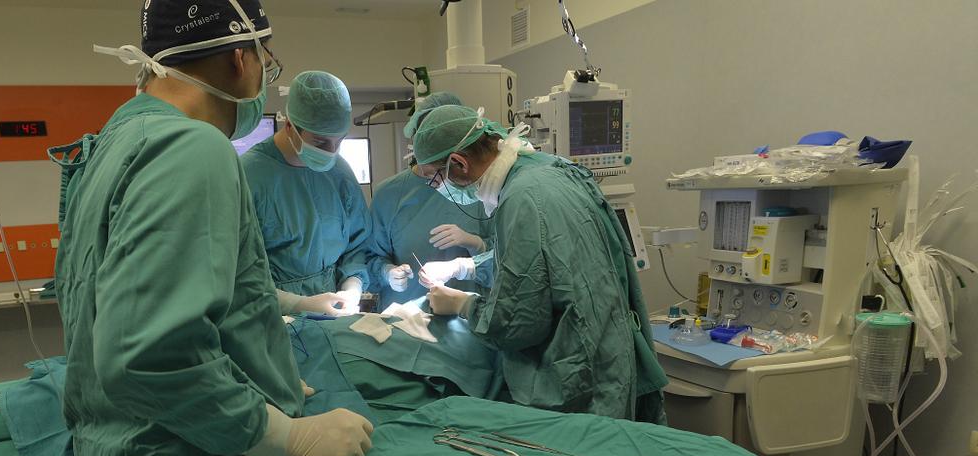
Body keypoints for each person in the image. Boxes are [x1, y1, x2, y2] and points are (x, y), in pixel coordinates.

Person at [55, 0, 373, 456]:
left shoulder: (115, 142)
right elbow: (147, 351)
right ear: (238, 58)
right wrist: (284, 436)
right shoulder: (191, 147)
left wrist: (259, 369)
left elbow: (141, 303)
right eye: (266, 61)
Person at [412, 105, 667, 423]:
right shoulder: (549, 170)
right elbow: (550, 256)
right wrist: (466, 266)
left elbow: (516, 321)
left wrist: (462, 304)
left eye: (434, 178)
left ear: (459, 164)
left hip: (579, 379)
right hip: (609, 352)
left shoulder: (521, 198)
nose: (437, 187)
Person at [242, 70, 370, 309]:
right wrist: (297, 304)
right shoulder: (250, 175)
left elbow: (357, 244)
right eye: (320, 142)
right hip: (270, 315)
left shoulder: (339, 172)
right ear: (290, 126)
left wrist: (352, 286)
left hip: (334, 312)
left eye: (339, 141)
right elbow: (239, 271)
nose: (331, 151)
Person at [367, 92, 491, 306]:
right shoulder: (389, 194)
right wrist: (387, 273)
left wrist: (476, 244)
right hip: (404, 320)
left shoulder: (479, 188)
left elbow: (510, 258)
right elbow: (369, 257)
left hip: (468, 319)